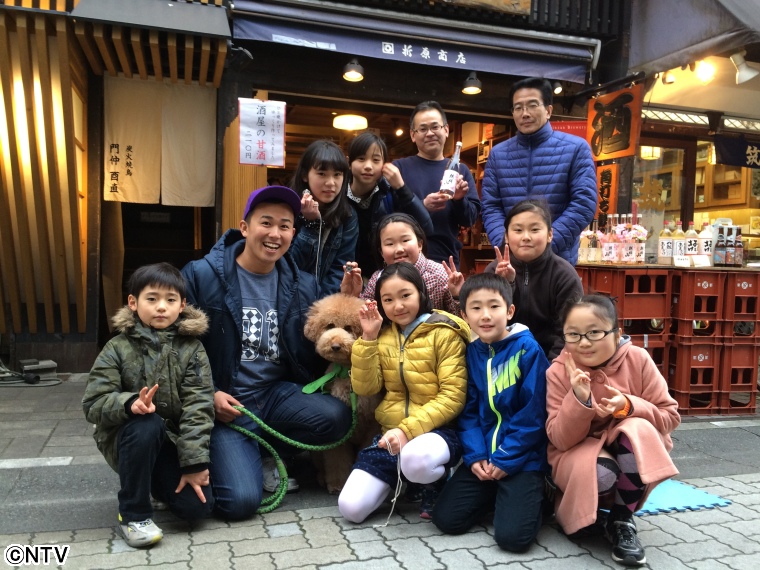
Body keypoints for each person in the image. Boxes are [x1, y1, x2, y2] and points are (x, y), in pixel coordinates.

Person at [181, 185, 352, 520]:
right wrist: (208, 394)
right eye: (266, 223)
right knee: (240, 503)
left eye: (285, 226)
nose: (275, 234)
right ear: (244, 228)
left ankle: (267, 452)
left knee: (336, 417)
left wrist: (349, 300)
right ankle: (229, 455)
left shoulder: (302, 284)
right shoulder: (202, 275)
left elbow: (320, 342)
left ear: (293, 234)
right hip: (226, 401)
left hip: (274, 394)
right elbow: (178, 346)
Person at [83, 263, 215, 548]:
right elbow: (93, 403)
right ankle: (134, 514)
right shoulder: (116, 347)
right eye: (152, 299)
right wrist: (129, 403)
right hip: (129, 437)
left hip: (171, 441)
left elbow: (199, 406)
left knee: (196, 509)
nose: (161, 307)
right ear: (133, 302)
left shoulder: (192, 348)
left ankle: (153, 484)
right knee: (146, 423)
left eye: (170, 300)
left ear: (182, 305)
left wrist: (194, 463)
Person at [546, 295, 680, 567]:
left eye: (594, 332)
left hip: (628, 448)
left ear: (617, 333)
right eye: (574, 334)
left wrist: (629, 406)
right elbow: (560, 439)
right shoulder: (559, 371)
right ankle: (574, 509)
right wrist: (579, 399)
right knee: (602, 473)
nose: (584, 342)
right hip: (577, 452)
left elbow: (669, 416)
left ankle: (621, 518)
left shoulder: (638, 359)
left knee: (637, 429)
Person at [338, 262, 469, 522]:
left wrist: (407, 431)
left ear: (421, 292)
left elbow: (453, 397)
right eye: (388, 299)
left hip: (439, 433)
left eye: (405, 295)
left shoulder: (444, 332)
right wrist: (368, 338)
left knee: (416, 459)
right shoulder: (383, 335)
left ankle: (437, 479)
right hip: (392, 435)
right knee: (351, 508)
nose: (398, 306)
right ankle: (407, 479)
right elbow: (365, 388)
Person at [432, 272, 549, 552]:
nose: (485, 315)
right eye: (476, 308)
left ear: (509, 311)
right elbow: (469, 411)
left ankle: (540, 497)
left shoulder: (528, 350)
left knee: (512, 539)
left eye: (494, 306)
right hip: (485, 457)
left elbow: (533, 415)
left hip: (523, 459)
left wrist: (505, 458)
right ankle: (498, 495)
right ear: (464, 315)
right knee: (446, 519)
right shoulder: (472, 353)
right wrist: (476, 456)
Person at [481, 77, 598, 265]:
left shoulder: (576, 148)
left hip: (557, 261)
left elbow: (584, 203)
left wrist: (545, 244)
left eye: (532, 105)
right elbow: (490, 206)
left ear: (548, 110)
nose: (525, 113)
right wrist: (507, 244)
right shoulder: (498, 154)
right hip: (511, 262)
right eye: (518, 108)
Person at [484, 199, 584, 360]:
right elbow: (486, 324)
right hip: (502, 358)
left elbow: (570, 331)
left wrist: (551, 368)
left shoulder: (564, 275)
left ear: (550, 235)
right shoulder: (494, 270)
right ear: (506, 236)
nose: (526, 237)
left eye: (535, 229)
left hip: (551, 359)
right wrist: (505, 285)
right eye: (518, 230)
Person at [393, 101, 480, 267]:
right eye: (423, 129)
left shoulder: (461, 170)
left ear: (446, 130)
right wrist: (422, 206)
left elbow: (470, 219)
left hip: (447, 261)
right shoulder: (399, 168)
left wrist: (459, 200)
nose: (430, 133)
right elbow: (389, 216)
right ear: (413, 135)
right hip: (405, 262)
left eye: (435, 127)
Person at [346, 131, 433, 279]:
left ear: (384, 165)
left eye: (375, 160)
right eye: (361, 159)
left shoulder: (390, 193)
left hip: (385, 277)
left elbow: (426, 227)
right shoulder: (338, 194)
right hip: (348, 274)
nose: (368, 166)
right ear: (349, 163)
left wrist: (401, 187)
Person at [341, 213, 460, 314]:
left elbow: (460, 322)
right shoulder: (377, 279)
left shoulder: (438, 275)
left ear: (420, 244)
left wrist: (458, 296)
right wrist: (351, 296)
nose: (399, 249)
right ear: (381, 252)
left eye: (405, 240)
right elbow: (364, 319)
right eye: (390, 244)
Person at [290, 140, 359, 295]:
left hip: (327, 302)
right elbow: (289, 265)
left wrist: (322, 306)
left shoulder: (348, 215)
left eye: (337, 174)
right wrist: (310, 224)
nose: (331, 183)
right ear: (305, 175)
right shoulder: (288, 209)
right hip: (289, 298)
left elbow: (342, 268)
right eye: (322, 174)